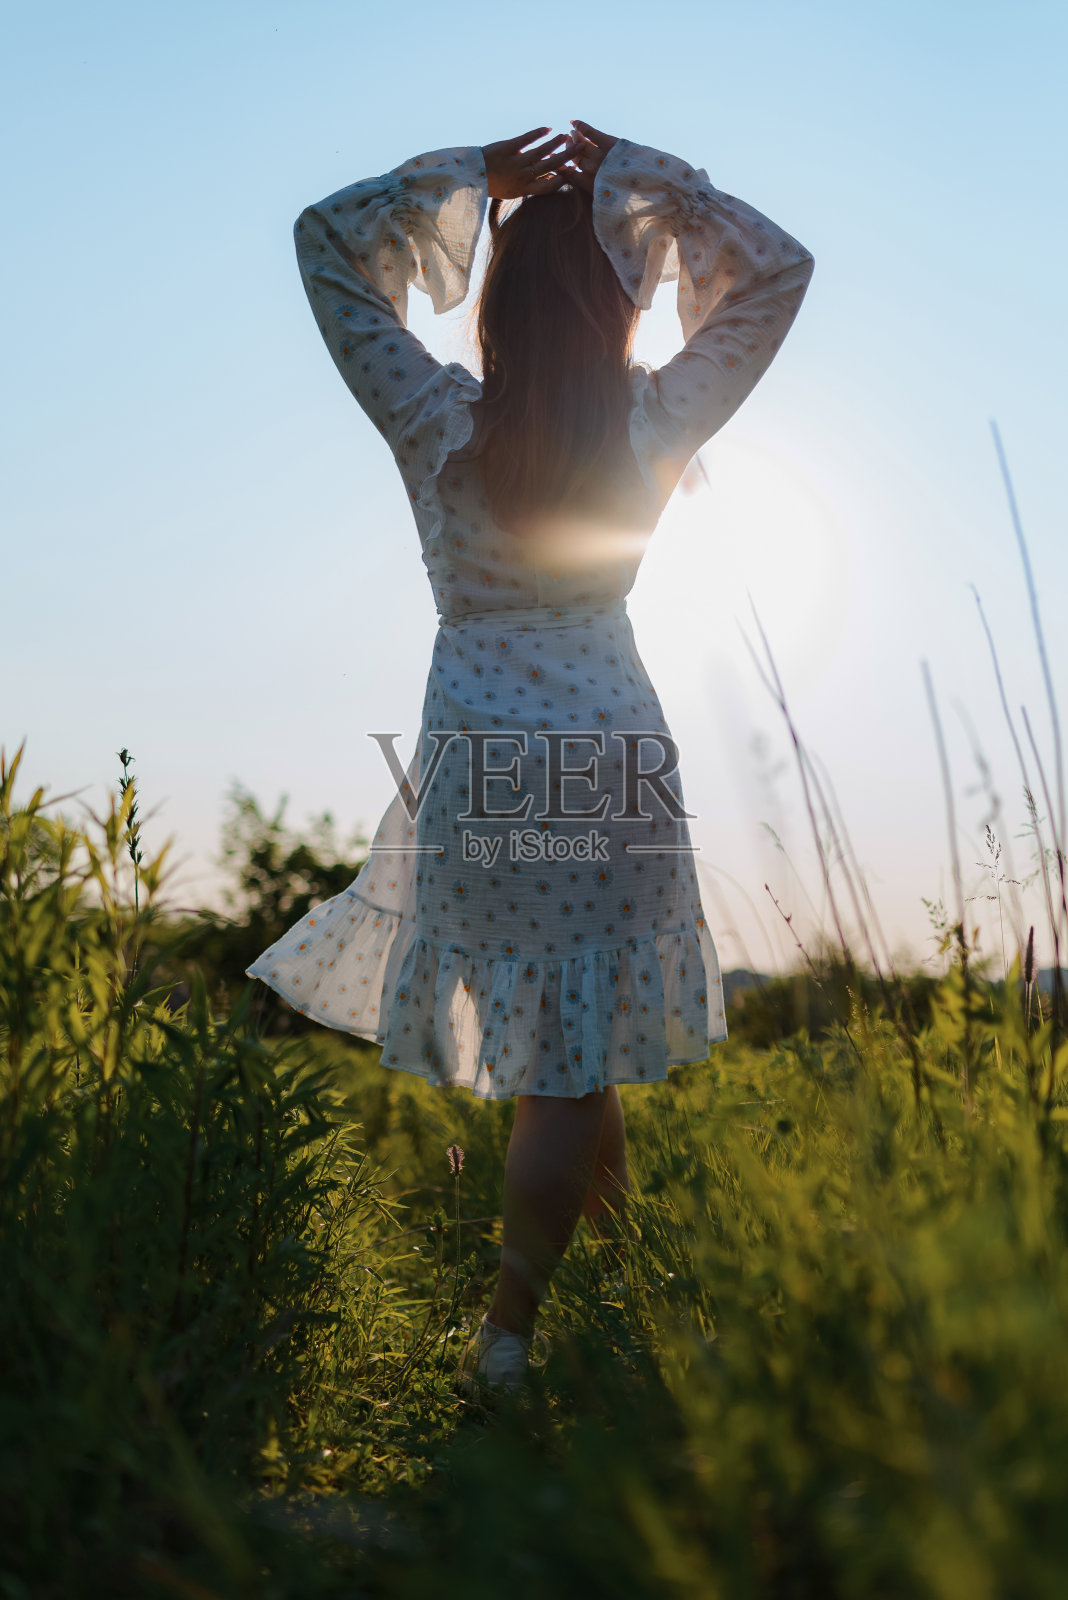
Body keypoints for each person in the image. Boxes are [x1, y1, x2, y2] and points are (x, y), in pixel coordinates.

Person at [248, 120, 814, 1402]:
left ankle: (593, 1316)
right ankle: (518, 1342)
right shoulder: (653, 419)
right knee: (573, 1051)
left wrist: (466, 179)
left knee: (569, 1052)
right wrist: (648, 178)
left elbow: (324, 248)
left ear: (496, 300)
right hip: (611, 742)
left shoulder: (438, 421)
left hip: (483, 754)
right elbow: (779, 272)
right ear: (621, 301)